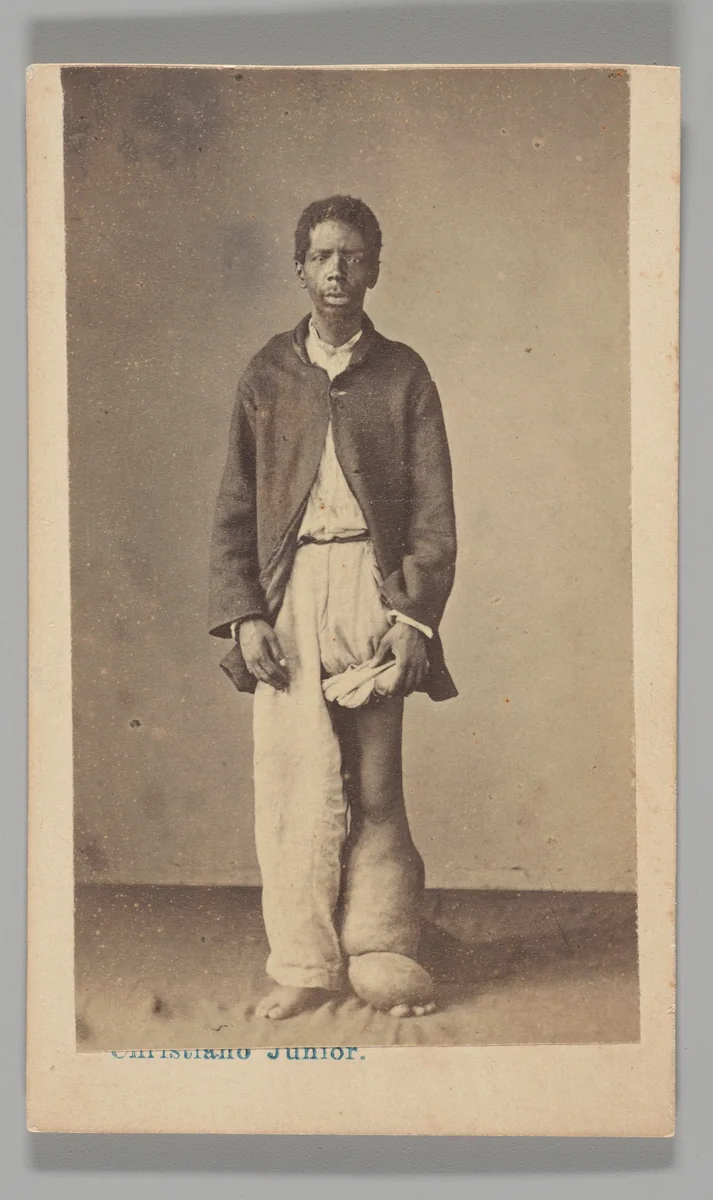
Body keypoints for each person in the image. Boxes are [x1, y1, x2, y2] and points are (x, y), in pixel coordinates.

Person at [208, 195, 457, 1020]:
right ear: (301, 270)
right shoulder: (267, 375)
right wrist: (246, 613)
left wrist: (413, 617)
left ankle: (382, 943)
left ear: (375, 268)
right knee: (294, 781)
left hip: (371, 591)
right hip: (288, 597)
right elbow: (235, 509)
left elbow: (431, 512)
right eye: (323, 257)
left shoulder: (404, 373)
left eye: (353, 256)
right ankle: (305, 963)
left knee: (375, 780)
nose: (338, 272)